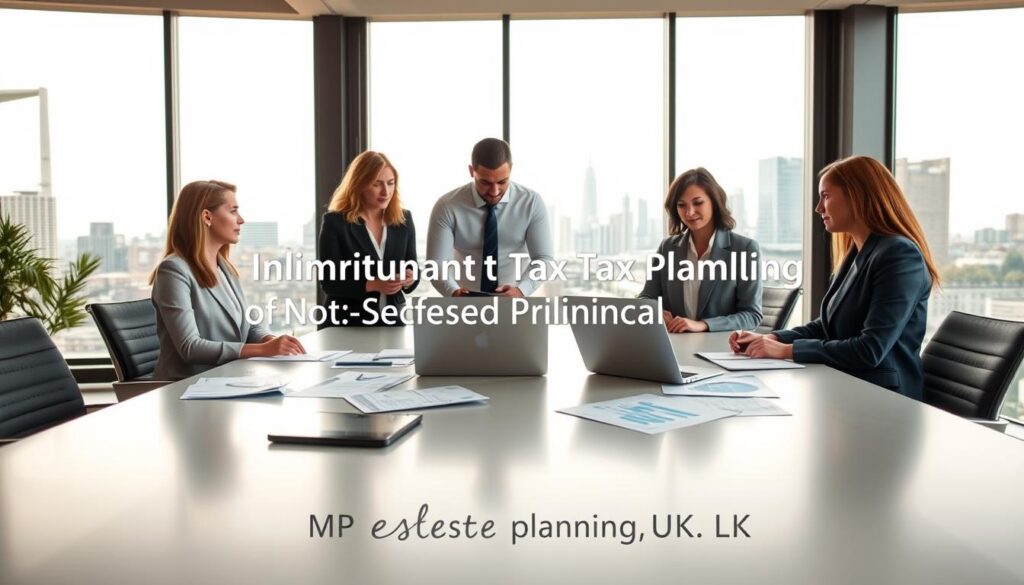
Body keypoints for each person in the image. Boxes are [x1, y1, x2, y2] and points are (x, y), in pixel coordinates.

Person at [729, 155, 939, 400]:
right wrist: (770, 338)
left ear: (857, 195)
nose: (819, 207)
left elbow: (870, 349)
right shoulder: (856, 253)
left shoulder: (899, 255)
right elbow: (825, 327)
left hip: (884, 398)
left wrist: (787, 350)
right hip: (847, 385)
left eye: (826, 196)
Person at [151, 180, 305, 380]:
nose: (241, 220)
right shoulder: (173, 270)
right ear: (207, 216)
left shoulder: (224, 267)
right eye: (233, 211)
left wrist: (272, 341)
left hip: (228, 379)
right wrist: (262, 350)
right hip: (188, 386)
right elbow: (190, 347)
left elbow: (247, 326)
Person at [639, 167, 763, 333]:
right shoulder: (667, 248)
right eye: (681, 205)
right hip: (675, 345)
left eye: (698, 203)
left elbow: (751, 315)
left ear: (714, 201)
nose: (689, 212)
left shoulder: (745, 249)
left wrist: (704, 324)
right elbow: (646, 297)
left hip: (721, 351)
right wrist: (655, 312)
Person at [426, 138, 554, 297]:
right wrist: (453, 292)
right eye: (485, 182)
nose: (494, 191)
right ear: (472, 171)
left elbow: (544, 259)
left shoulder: (531, 203)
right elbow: (436, 265)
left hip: (514, 301)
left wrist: (521, 290)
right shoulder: (447, 206)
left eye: (502, 181)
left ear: (511, 169)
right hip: (464, 302)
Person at [318, 151, 418, 326]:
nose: (385, 192)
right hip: (345, 323)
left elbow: (412, 267)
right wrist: (373, 285)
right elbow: (329, 282)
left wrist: (409, 278)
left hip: (392, 321)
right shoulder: (335, 223)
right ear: (360, 185)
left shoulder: (403, 220)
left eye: (390, 183)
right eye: (376, 184)